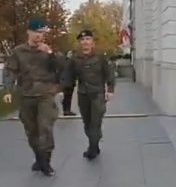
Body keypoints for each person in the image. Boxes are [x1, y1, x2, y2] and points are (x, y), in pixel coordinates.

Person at [1, 19, 65, 176]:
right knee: (31, 130)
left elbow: (62, 67)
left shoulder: (48, 51)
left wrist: (50, 53)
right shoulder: (19, 52)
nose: (39, 36)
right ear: (29, 32)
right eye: (36, 32)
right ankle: (39, 157)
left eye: (41, 33)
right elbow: (10, 71)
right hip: (26, 95)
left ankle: (46, 162)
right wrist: (8, 90)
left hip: (46, 94)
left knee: (45, 127)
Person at [62, 29, 115, 160]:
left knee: (95, 123)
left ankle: (92, 149)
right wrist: (62, 90)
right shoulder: (74, 59)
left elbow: (110, 74)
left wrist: (110, 90)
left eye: (88, 39)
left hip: (98, 94)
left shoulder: (101, 58)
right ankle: (95, 144)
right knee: (87, 123)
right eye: (83, 40)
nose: (85, 42)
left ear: (92, 42)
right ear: (80, 43)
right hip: (83, 94)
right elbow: (68, 76)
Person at [61, 50, 76, 116]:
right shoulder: (71, 61)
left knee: (67, 96)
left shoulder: (64, 60)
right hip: (68, 81)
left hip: (67, 80)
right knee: (67, 96)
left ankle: (66, 110)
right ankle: (67, 110)